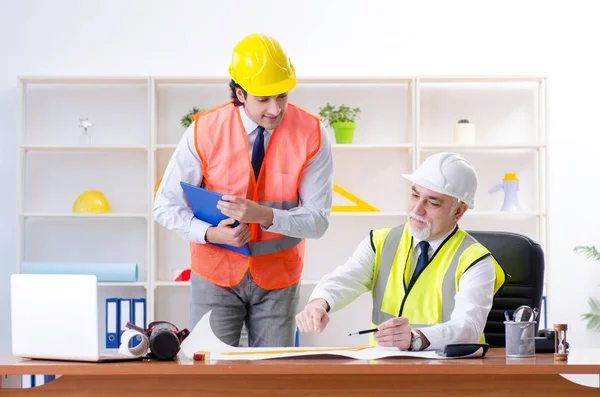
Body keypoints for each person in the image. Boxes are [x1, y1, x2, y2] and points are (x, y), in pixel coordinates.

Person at [153, 33, 333, 348]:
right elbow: (165, 206)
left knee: (272, 382)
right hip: (215, 275)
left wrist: (264, 215)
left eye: (282, 96)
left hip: (280, 279)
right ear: (240, 93)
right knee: (210, 377)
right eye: (263, 99)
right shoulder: (204, 130)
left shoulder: (313, 134)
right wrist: (210, 233)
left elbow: (318, 220)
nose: (276, 109)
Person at [295, 152, 506, 351]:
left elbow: (468, 328)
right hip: (385, 370)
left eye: (432, 202)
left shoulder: (476, 260)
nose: (417, 209)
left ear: (458, 211)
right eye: (415, 195)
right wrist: (318, 303)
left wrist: (415, 338)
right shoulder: (380, 242)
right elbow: (345, 278)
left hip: (448, 373)